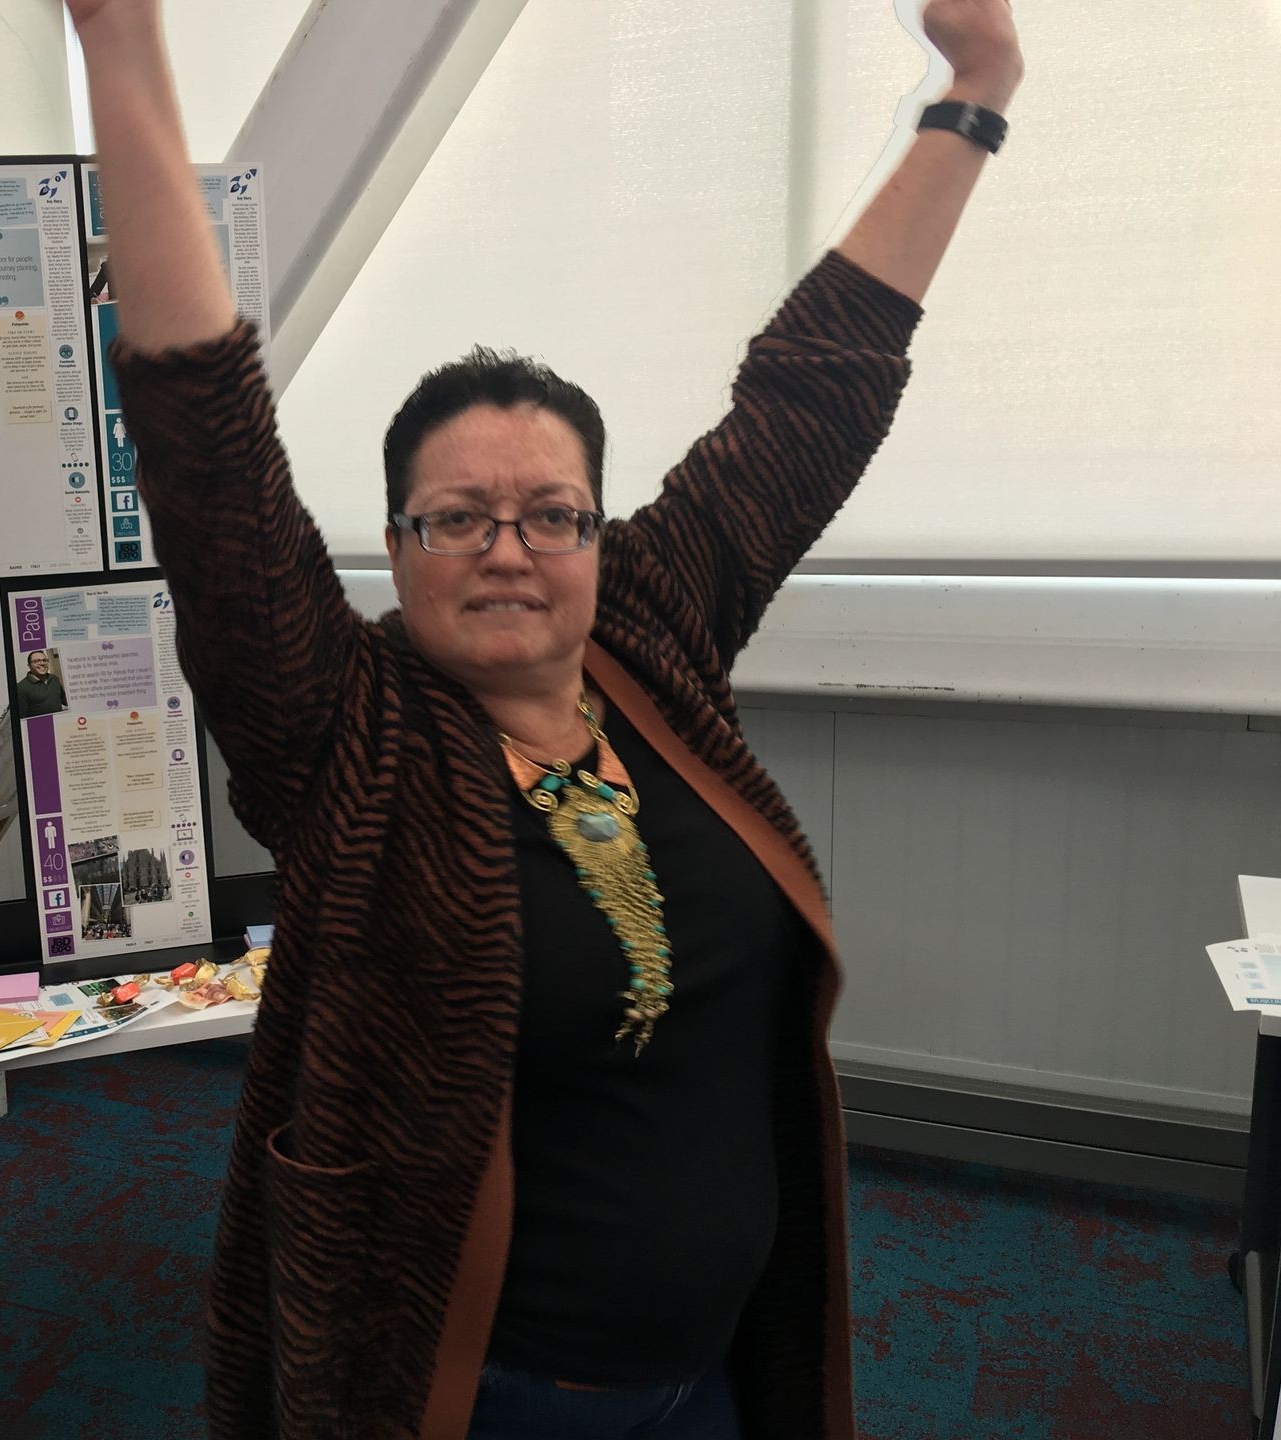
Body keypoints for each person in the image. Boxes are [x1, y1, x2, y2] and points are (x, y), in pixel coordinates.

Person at [66, 0, 1023, 1436]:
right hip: (483, 1395)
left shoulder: (648, 640)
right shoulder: (350, 733)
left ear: (598, 535)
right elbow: (207, 446)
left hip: (718, 1372)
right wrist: (120, 42)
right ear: (393, 547)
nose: (510, 548)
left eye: (549, 514)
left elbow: (811, 396)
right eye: (459, 517)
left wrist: (978, 88)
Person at [15, 651, 66, 717]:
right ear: (29, 665)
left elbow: (64, 699)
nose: (42, 663)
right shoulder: (21, 688)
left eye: (44, 660)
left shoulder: (54, 678)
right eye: (36, 661)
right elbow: (22, 717)